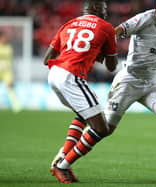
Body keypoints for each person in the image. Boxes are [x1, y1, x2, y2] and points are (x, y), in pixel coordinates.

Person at [104, 0, 156, 179]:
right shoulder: (145, 19)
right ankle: (66, 156)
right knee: (104, 129)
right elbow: (116, 32)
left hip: (153, 82)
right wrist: (105, 53)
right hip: (130, 80)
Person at [43, 0, 118, 183]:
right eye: (104, 9)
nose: (106, 13)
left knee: (83, 114)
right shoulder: (106, 27)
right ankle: (62, 166)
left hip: (54, 74)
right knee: (101, 129)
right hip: (71, 76)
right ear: (94, 8)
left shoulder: (68, 24)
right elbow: (111, 66)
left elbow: (47, 59)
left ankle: (63, 155)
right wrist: (100, 53)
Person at [0, 31, 22, 113]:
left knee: (10, 87)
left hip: (6, 71)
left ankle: (16, 105)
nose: (5, 39)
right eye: (3, 37)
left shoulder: (8, 47)